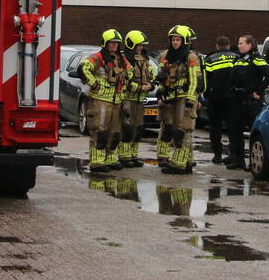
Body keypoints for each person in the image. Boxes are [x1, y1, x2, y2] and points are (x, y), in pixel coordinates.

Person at [80, 29, 133, 173]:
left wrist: (126, 83)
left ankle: (111, 158)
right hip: (100, 101)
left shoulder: (121, 59)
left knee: (115, 132)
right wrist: (94, 83)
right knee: (100, 131)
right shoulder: (97, 57)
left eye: (116, 43)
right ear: (105, 43)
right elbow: (83, 68)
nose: (114, 45)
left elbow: (131, 72)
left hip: (117, 100)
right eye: (112, 43)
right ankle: (97, 161)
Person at [155, 25, 201, 174]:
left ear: (184, 41)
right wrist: (160, 92)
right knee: (171, 129)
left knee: (183, 131)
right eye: (173, 40)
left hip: (184, 98)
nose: (175, 42)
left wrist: (190, 100)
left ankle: (178, 164)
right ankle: (185, 162)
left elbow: (195, 80)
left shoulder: (191, 57)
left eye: (178, 40)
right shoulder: (165, 56)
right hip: (170, 98)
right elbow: (162, 77)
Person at [227, 34, 269, 170]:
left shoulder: (256, 59)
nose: (239, 45)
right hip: (237, 98)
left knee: (254, 132)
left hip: (250, 100)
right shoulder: (238, 59)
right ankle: (237, 159)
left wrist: (258, 92)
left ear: (250, 45)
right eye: (239, 43)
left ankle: (254, 162)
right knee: (235, 130)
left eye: (242, 43)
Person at [119, 29, 154, 167]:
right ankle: (124, 156)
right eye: (139, 45)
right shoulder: (124, 60)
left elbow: (151, 74)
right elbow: (124, 81)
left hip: (141, 99)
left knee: (138, 128)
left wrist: (151, 84)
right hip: (129, 98)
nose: (141, 48)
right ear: (132, 44)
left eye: (142, 45)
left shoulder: (145, 59)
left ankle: (133, 155)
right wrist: (140, 87)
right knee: (128, 128)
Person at [203, 35, 238, 164]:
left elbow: (205, 79)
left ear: (217, 45)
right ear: (229, 45)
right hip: (231, 99)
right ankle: (232, 153)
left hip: (214, 99)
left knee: (215, 128)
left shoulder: (210, 58)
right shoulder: (236, 57)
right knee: (232, 127)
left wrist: (206, 95)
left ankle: (217, 155)